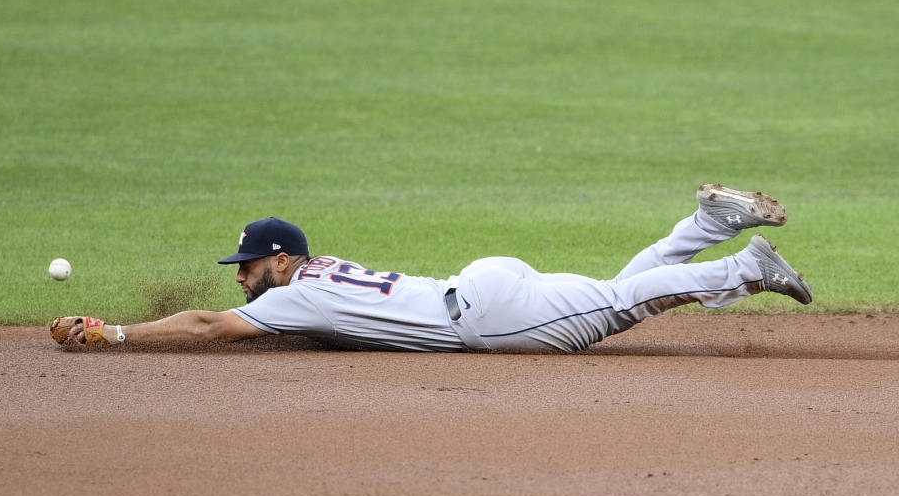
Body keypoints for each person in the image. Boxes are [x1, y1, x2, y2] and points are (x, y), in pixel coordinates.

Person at [51, 184, 813, 353]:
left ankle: (742, 267)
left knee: (619, 306)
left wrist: (109, 332)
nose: (240, 276)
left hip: (492, 319)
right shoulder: (318, 278)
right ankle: (706, 225)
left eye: (249, 265)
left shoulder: (293, 298)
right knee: (614, 292)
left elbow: (212, 326)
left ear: (281, 260)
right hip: (485, 285)